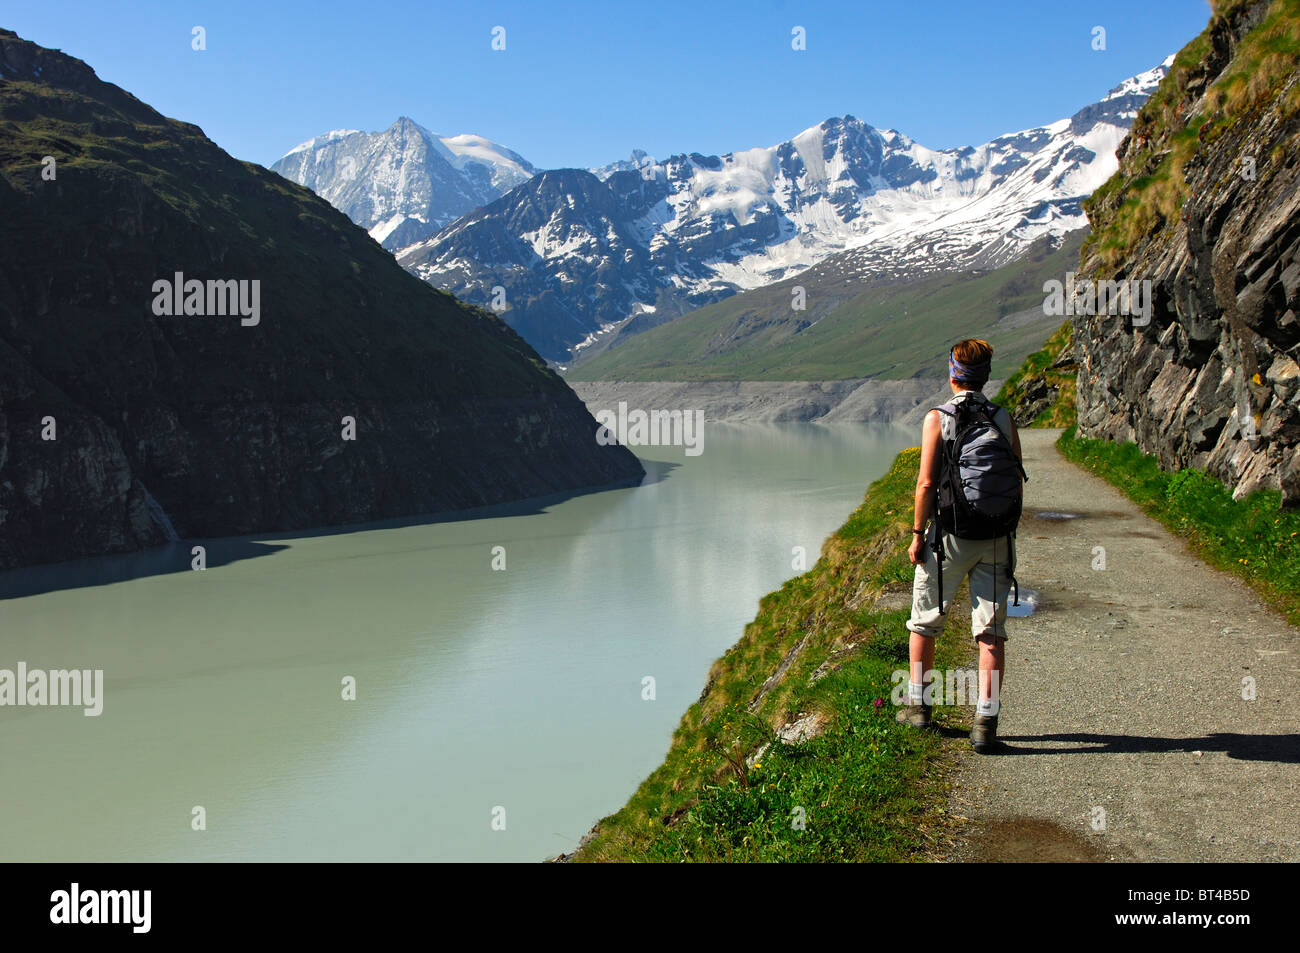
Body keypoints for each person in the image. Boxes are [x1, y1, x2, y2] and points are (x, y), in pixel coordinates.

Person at [895, 338, 1024, 753]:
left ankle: (919, 707)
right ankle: (985, 724)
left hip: (948, 538)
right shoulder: (1003, 418)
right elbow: (1016, 477)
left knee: (924, 621)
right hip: (996, 538)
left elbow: (927, 483)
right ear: (985, 375)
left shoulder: (938, 418)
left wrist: (917, 535)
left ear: (952, 374)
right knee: (990, 632)